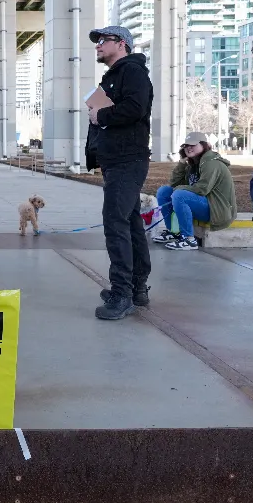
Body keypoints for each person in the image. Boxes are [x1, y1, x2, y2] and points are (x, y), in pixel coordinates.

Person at [84, 25, 153, 321]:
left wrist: (101, 115)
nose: (98, 46)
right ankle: (136, 287)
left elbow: (136, 108)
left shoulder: (133, 72)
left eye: (103, 41)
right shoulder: (115, 74)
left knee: (115, 223)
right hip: (117, 160)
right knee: (130, 222)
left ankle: (121, 293)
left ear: (121, 43)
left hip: (127, 160)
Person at [155, 131, 237, 251]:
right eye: (186, 145)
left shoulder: (211, 163)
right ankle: (173, 232)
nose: (188, 148)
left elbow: (202, 189)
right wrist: (182, 164)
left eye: (193, 145)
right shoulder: (193, 164)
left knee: (179, 195)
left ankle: (188, 239)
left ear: (204, 145)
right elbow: (174, 185)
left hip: (218, 210)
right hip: (204, 204)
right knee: (164, 191)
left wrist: (179, 189)